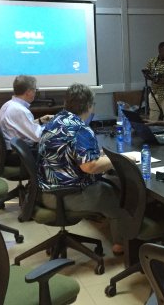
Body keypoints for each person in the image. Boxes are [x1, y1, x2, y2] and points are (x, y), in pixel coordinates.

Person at [37, 83, 124, 255]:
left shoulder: (56, 121)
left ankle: (107, 222)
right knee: (121, 193)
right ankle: (120, 245)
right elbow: (90, 166)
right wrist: (119, 159)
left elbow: (69, 153)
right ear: (89, 105)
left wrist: (97, 155)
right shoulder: (80, 128)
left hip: (46, 193)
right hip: (68, 196)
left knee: (112, 181)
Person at [0, 75, 53, 165]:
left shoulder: (8, 105)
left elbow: (19, 127)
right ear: (28, 92)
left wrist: (40, 121)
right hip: (19, 155)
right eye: (35, 89)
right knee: (57, 152)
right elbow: (38, 136)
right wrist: (55, 125)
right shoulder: (20, 110)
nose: (35, 92)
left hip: (10, 151)